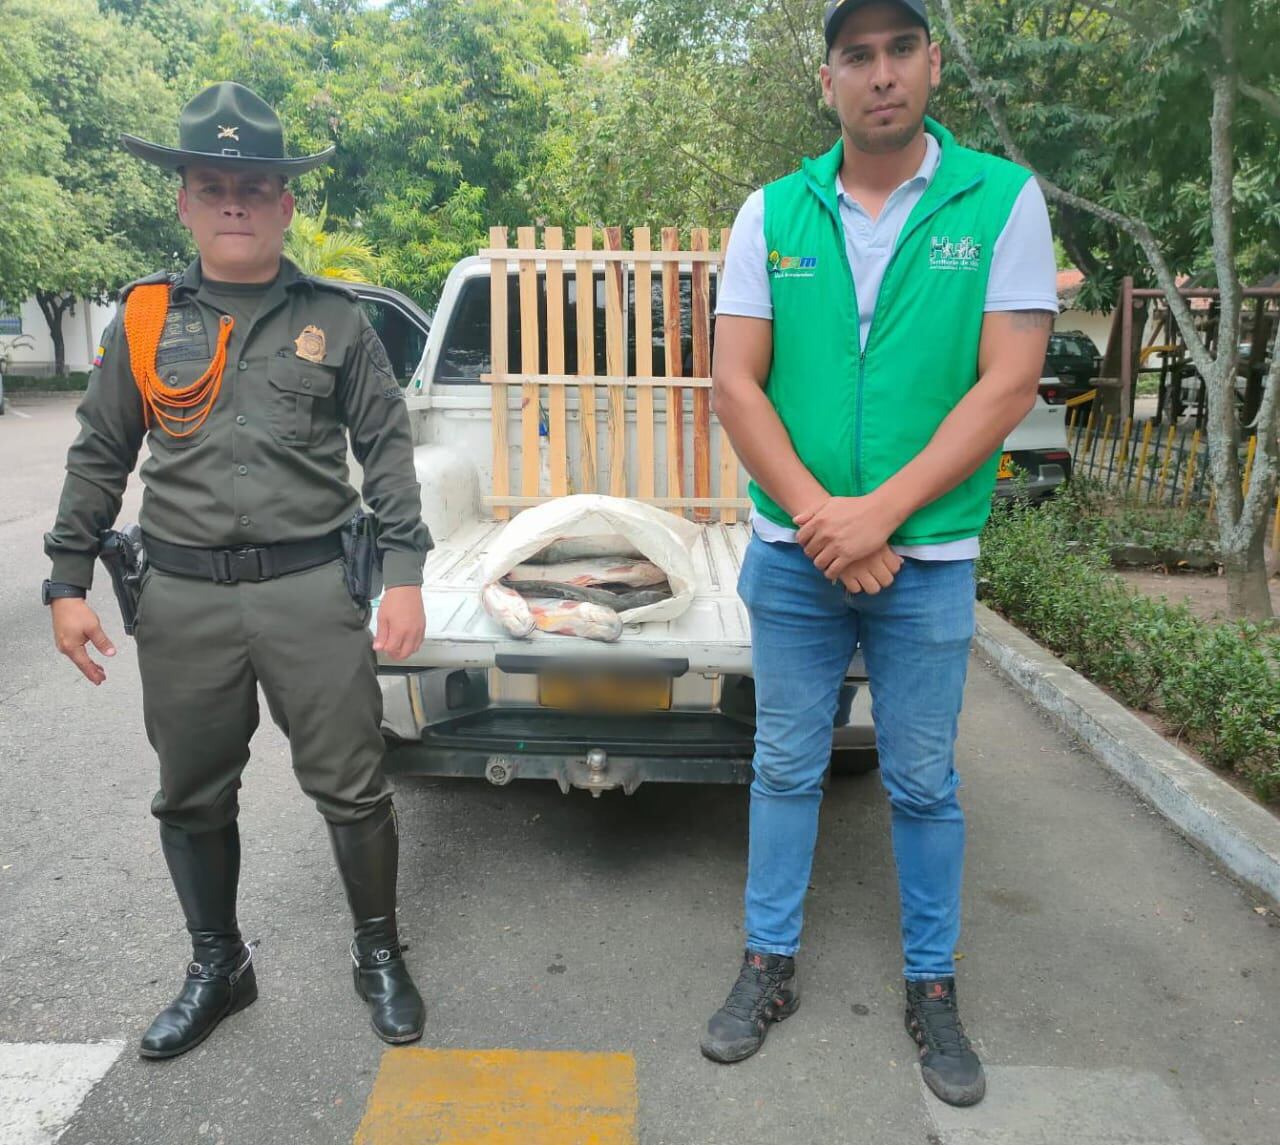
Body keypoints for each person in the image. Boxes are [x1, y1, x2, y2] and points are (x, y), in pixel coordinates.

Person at [704, 0, 1058, 1106]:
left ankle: (932, 982)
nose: (881, 72)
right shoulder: (771, 212)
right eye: (855, 55)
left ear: (932, 63)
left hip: (929, 561)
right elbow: (734, 382)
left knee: (920, 779)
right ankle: (767, 961)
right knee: (783, 765)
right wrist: (826, 517)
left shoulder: (999, 201)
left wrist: (880, 516)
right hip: (795, 556)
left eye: (900, 48)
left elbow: (1006, 382)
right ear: (828, 81)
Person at [42, 82, 433, 1059]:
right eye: (212, 186)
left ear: (284, 203)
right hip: (183, 598)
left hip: (310, 588)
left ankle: (378, 953)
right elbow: (100, 451)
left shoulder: (336, 318)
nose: (233, 203)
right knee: (190, 793)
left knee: (353, 786)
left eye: (253, 187)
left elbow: (386, 451)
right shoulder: (145, 319)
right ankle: (218, 964)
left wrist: (403, 572)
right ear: (184, 201)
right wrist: (67, 580)